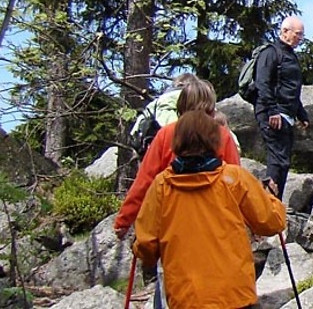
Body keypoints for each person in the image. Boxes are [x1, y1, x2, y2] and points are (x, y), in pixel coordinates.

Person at [132, 110, 287, 309]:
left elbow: (146, 246)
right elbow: (271, 222)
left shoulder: (162, 185)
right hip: (235, 295)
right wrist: (272, 199)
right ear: (215, 139)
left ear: (177, 141)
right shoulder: (234, 179)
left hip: (186, 298)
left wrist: (138, 247)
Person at [114, 79, 243, 238]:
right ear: (210, 109)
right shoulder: (222, 135)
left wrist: (124, 220)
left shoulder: (165, 134)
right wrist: (249, 221)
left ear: (180, 106)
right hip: (214, 222)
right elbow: (237, 182)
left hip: (173, 221)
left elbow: (145, 181)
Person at [254, 16, 310, 199]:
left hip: (286, 114)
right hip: (272, 114)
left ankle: (274, 203)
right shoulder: (270, 53)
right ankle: (268, 204)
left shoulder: (291, 56)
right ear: (285, 31)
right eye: (298, 34)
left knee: (283, 162)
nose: (300, 38)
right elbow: (262, 83)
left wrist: (302, 114)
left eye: (302, 35)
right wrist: (272, 110)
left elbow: (290, 89)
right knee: (278, 160)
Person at [129, 73, 201, 156]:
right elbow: (169, 124)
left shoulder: (159, 100)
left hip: (142, 141)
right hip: (164, 143)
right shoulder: (176, 96)